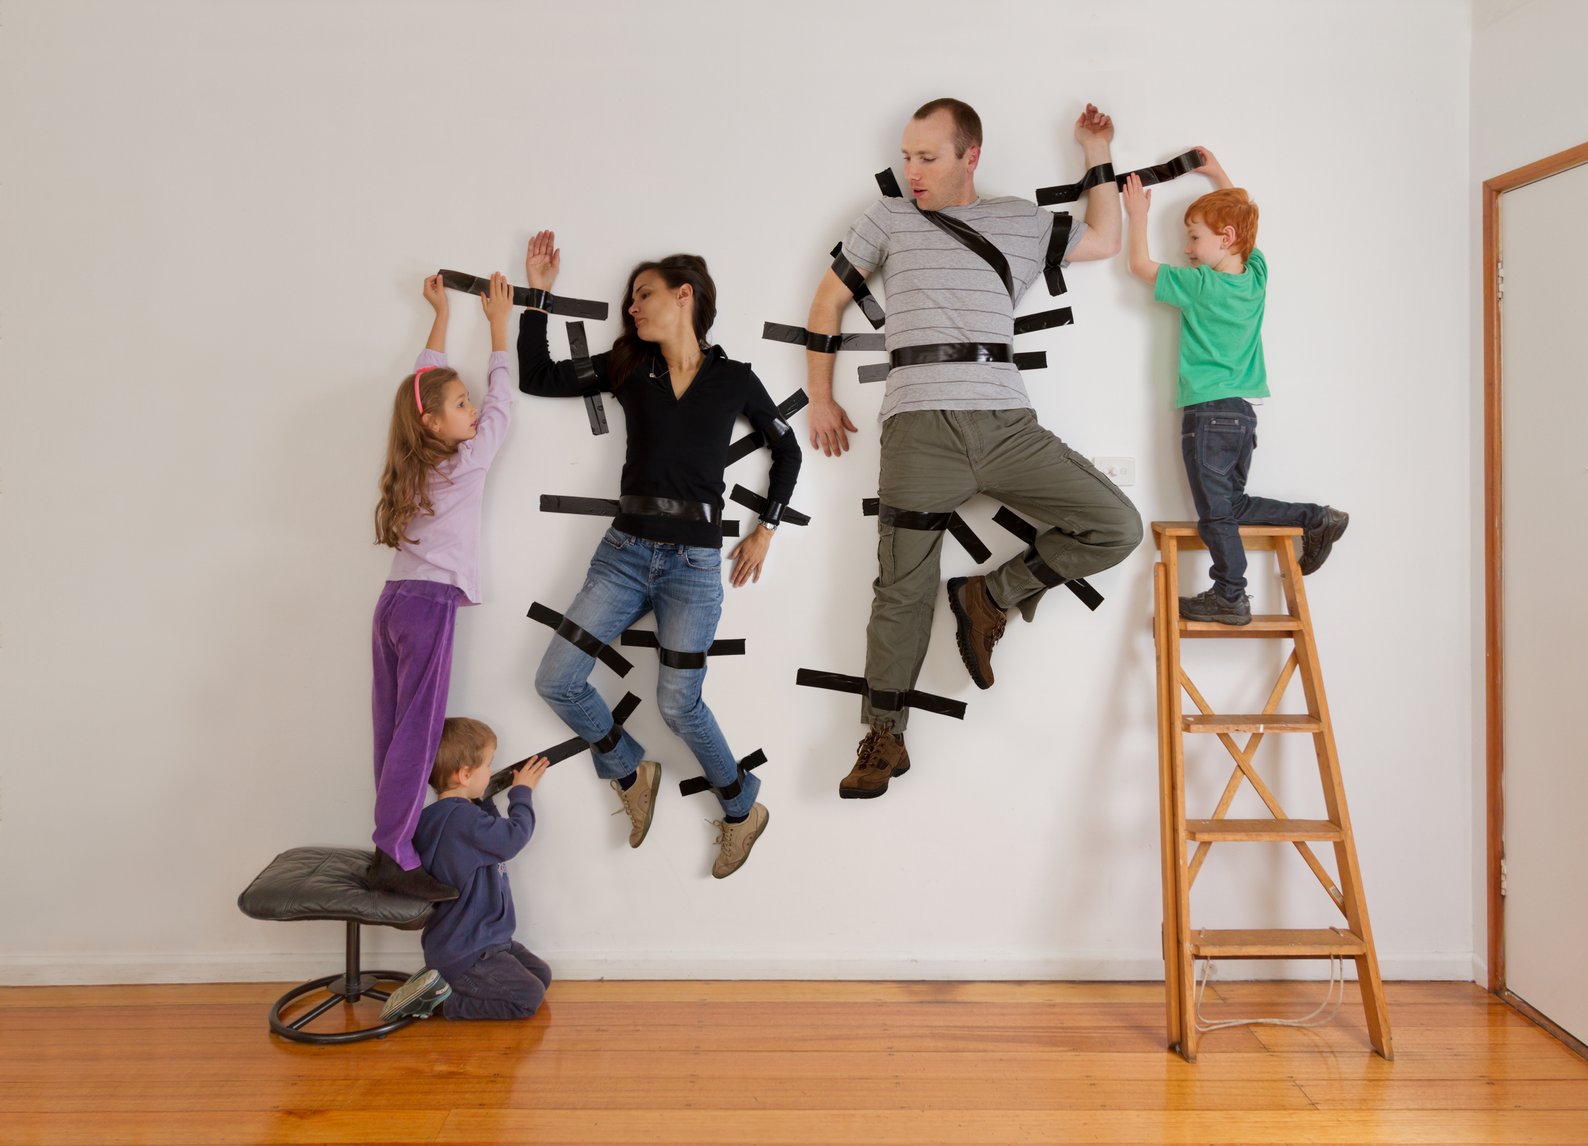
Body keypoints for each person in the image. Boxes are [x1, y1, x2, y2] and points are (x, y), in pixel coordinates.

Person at [804, 97, 1143, 799]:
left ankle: (992, 594)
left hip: (1005, 425)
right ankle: (883, 736)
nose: (912, 171)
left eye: (927, 158)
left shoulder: (1018, 221)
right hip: (918, 430)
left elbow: (1106, 240)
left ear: (970, 156)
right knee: (900, 591)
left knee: (1117, 525)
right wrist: (820, 394)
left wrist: (1095, 152)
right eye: (906, 156)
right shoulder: (888, 217)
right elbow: (827, 302)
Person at [519, 231, 800, 878]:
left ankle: (742, 807)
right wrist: (538, 297)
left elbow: (787, 450)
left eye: (642, 295)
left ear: (684, 296)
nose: (632, 309)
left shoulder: (735, 379)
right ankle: (627, 767)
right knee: (555, 678)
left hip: (695, 567)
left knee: (679, 704)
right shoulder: (627, 367)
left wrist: (767, 528)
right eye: (628, 300)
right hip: (622, 555)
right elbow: (537, 376)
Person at [1122, 148, 1347, 625]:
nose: (1186, 248)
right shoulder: (1256, 279)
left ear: (1224, 238)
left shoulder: (1202, 284)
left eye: (1193, 237)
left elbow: (1140, 266)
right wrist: (1216, 175)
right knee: (1233, 505)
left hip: (1207, 412)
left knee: (1216, 514)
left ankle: (1230, 594)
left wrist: (1136, 215)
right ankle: (1315, 518)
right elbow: (1247, 228)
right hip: (1243, 414)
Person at [368, 272, 516, 900]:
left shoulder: (415, 460)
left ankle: (393, 842)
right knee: (419, 734)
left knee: (394, 729)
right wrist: (499, 329)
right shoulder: (464, 460)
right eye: (461, 406)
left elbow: (424, 389)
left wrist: (438, 321)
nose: (474, 408)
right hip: (428, 606)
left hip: (393, 602)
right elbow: (503, 411)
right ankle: (394, 853)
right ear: (433, 423)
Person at [382, 718, 553, 1022]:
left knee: (542, 974)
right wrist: (521, 793)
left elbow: (489, 836)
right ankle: (440, 1005)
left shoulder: (442, 816)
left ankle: (437, 984)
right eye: (489, 765)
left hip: (485, 941)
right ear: (464, 775)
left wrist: (483, 801)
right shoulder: (463, 822)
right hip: (470, 951)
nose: (491, 772)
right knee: (528, 998)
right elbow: (512, 837)